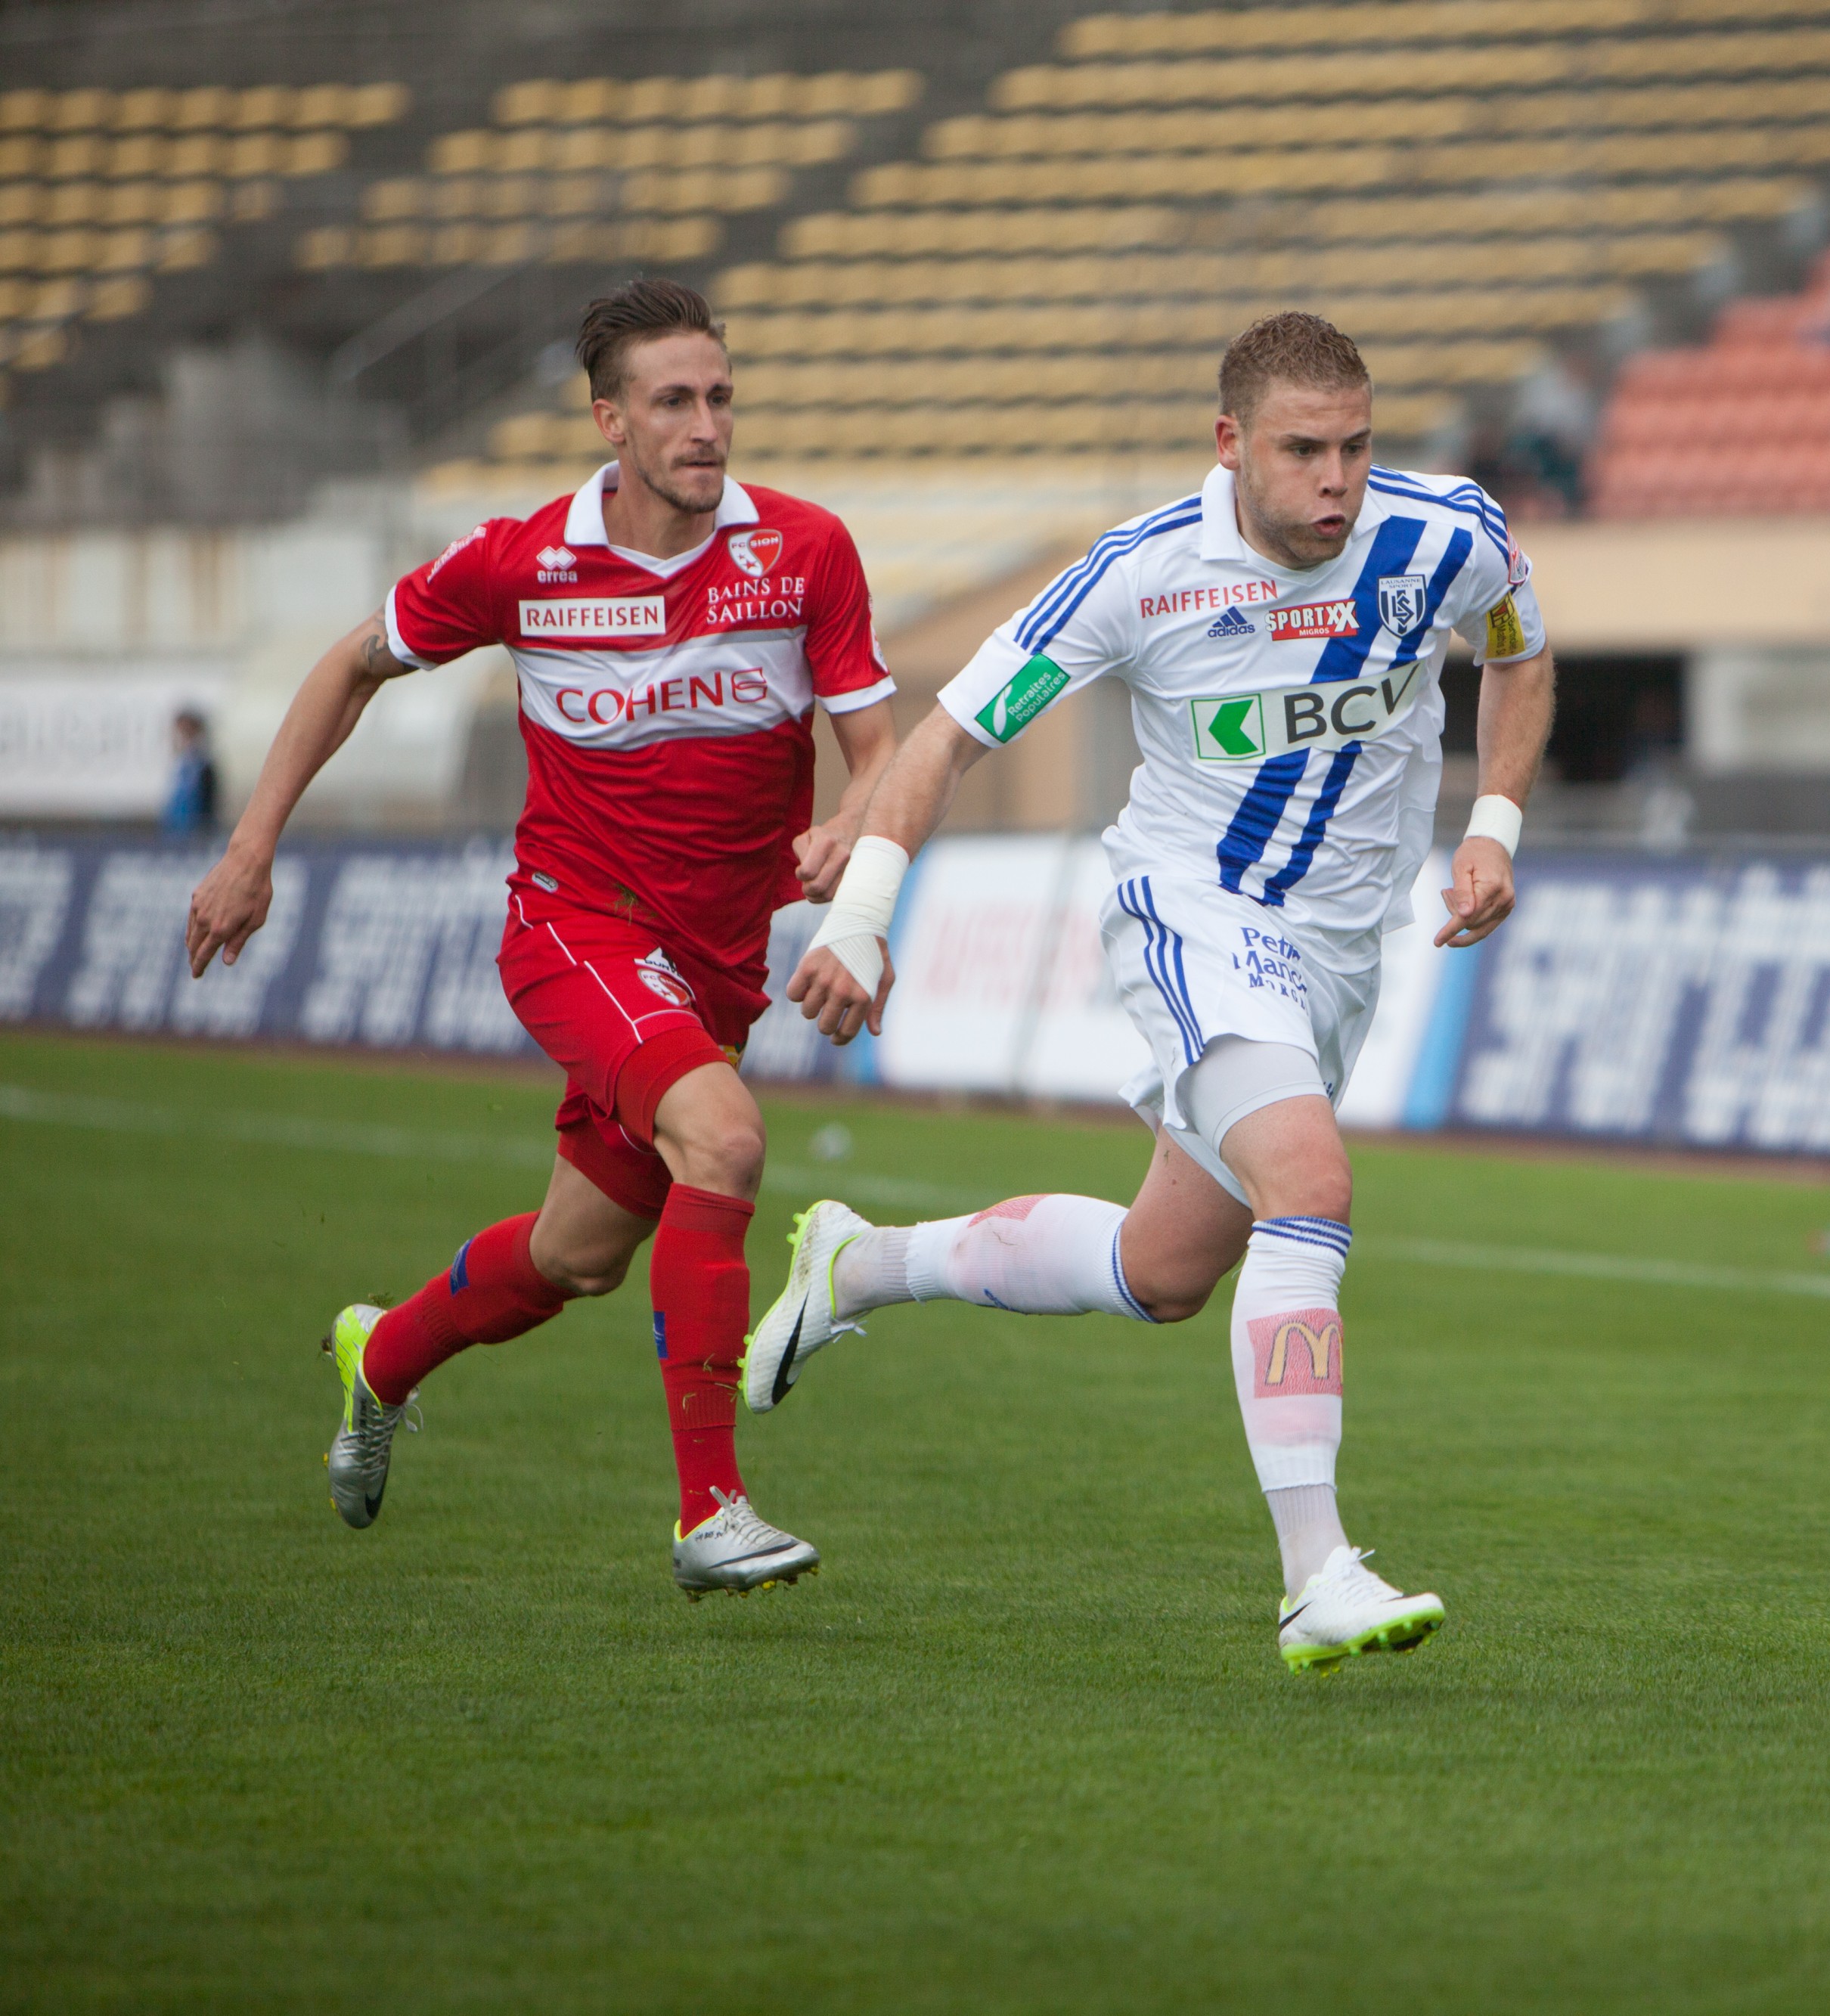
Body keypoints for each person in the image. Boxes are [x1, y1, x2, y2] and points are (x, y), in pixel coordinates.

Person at [745, 311, 1556, 1674]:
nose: (1337, 483)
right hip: (1194, 914)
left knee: (1162, 1271)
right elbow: (944, 738)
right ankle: (1319, 1576)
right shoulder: (1139, 575)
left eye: (1357, 446)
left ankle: (862, 1262)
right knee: (1312, 1181)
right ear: (1230, 444)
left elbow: (1521, 645)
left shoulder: (1445, 534)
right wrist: (868, 920)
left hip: (1342, 955)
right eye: (1304, 451)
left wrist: (1497, 824)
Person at [182, 280, 900, 1597]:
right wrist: (249, 848)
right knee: (728, 1139)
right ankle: (709, 1511)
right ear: (608, 416)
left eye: (720, 397)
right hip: (576, 928)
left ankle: (380, 1357)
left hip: (718, 959)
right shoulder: (521, 562)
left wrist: (858, 852)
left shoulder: (804, 553)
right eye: (674, 401)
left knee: (577, 1254)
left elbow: (878, 755)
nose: (706, 427)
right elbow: (351, 665)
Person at [161, 706, 217, 835]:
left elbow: (208, 809)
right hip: (174, 834)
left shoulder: (204, 766)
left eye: (185, 733)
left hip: (195, 836)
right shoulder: (179, 765)